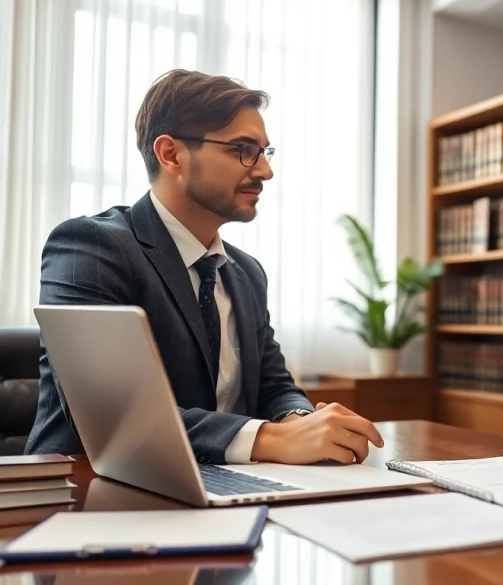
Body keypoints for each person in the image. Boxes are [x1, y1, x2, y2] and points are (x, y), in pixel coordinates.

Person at [26, 69, 384, 466]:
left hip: (223, 489)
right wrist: (270, 439)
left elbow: (273, 384)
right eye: (243, 149)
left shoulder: (247, 273)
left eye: (265, 152)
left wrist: (298, 420)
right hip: (85, 493)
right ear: (171, 154)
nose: (265, 171)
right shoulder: (91, 247)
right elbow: (109, 413)